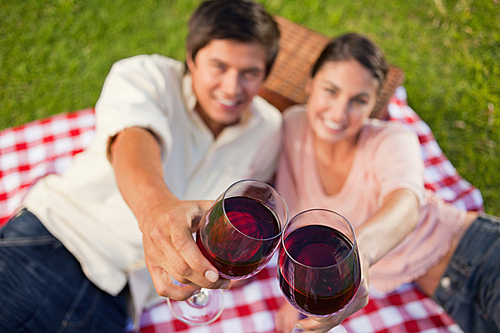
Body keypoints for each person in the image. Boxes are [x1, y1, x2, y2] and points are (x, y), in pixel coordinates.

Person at [0, 0, 282, 331]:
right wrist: (156, 211)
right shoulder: (144, 76)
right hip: (56, 242)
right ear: (192, 58)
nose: (233, 88)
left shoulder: (269, 129)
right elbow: (131, 141)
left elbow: (246, 212)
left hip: (122, 302)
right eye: (219, 66)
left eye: (250, 73)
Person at [274, 33, 500, 333]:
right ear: (310, 84)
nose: (339, 113)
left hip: (479, 256)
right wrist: (296, 298)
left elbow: (405, 205)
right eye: (330, 90)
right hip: (451, 299)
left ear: (372, 105)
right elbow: (296, 222)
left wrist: (361, 253)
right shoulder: (293, 127)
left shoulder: (391, 139)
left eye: (359, 100)